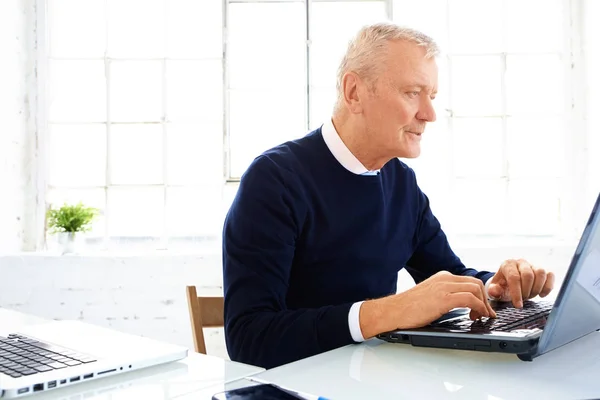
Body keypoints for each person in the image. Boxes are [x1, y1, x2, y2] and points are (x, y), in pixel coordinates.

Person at [222, 22, 555, 369]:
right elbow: (248, 338)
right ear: (354, 92)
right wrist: (390, 311)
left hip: (374, 382)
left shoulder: (401, 182)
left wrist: (496, 286)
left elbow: (448, 274)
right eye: (413, 92)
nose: (429, 114)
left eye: (432, 96)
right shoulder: (274, 180)